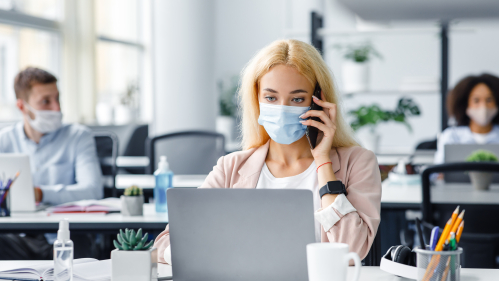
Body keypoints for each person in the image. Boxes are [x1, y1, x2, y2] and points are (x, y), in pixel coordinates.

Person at [154, 39, 382, 264]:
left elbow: (353, 250)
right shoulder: (231, 168)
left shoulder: (358, 162)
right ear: (257, 99)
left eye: (297, 98)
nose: (282, 109)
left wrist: (323, 162)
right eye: (271, 97)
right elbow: (165, 242)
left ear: (319, 102)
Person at [0, 67, 103, 259]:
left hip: (67, 236)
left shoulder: (79, 136)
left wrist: (41, 193)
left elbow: (93, 190)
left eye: (58, 99)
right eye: (46, 101)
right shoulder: (4, 141)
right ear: (22, 106)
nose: (56, 108)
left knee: (79, 250)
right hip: (17, 237)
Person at [434, 74, 499, 164]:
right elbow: (436, 173)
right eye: (476, 100)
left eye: (489, 100)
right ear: (465, 104)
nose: (483, 106)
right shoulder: (452, 136)